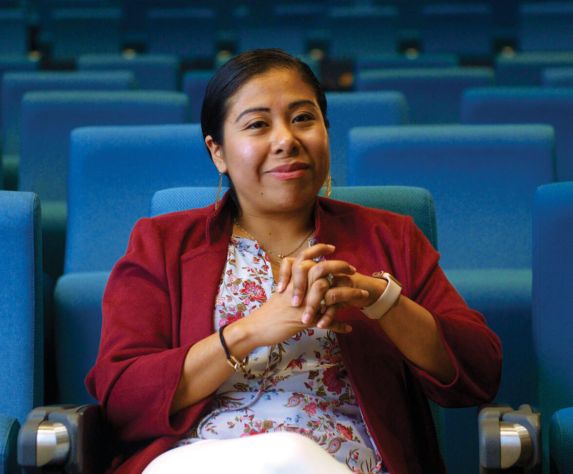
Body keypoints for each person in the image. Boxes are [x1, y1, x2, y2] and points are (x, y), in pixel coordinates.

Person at [86, 49, 502, 474]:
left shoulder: (389, 237)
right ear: (218, 152)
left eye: (303, 118)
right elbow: (123, 398)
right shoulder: (162, 243)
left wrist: (380, 299)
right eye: (258, 125)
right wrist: (250, 331)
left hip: (340, 462)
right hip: (199, 460)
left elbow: (478, 372)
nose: (286, 140)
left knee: (293, 457)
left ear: (325, 131)